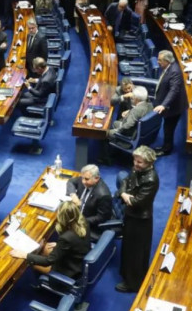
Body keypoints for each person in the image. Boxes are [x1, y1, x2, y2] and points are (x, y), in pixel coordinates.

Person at [115, 145, 159, 293]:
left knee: (136, 252)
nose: (135, 164)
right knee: (128, 248)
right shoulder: (137, 169)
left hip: (141, 220)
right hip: (131, 215)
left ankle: (134, 284)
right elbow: (125, 182)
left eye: (139, 162)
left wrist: (126, 196)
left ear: (149, 163)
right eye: (135, 160)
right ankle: (127, 275)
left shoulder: (151, 179)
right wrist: (124, 194)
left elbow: (137, 202)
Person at [11, 200, 92, 276]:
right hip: (76, 259)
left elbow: (48, 261)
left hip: (69, 270)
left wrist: (25, 255)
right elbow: (77, 241)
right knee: (45, 248)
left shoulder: (66, 238)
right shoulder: (83, 222)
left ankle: (46, 283)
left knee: (31, 263)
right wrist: (60, 245)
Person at [151, 50, 185, 156]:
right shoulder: (168, 67)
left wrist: (164, 105)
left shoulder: (174, 71)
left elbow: (173, 90)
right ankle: (166, 146)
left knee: (168, 128)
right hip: (168, 104)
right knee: (167, 127)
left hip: (173, 108)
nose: (158, 62)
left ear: (167, 61)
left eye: (160, 60)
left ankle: (166, 149)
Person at [67, 164, 114, 236]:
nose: (83, 181)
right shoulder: (86, 179)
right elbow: (70, 181)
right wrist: (73, 195)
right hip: (79, 212)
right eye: (82, 178)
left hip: (90, 224)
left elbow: (101, 217)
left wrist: (81, 221)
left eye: (86, 179)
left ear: (96, 178)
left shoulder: (103, 195)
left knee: (67, 234)